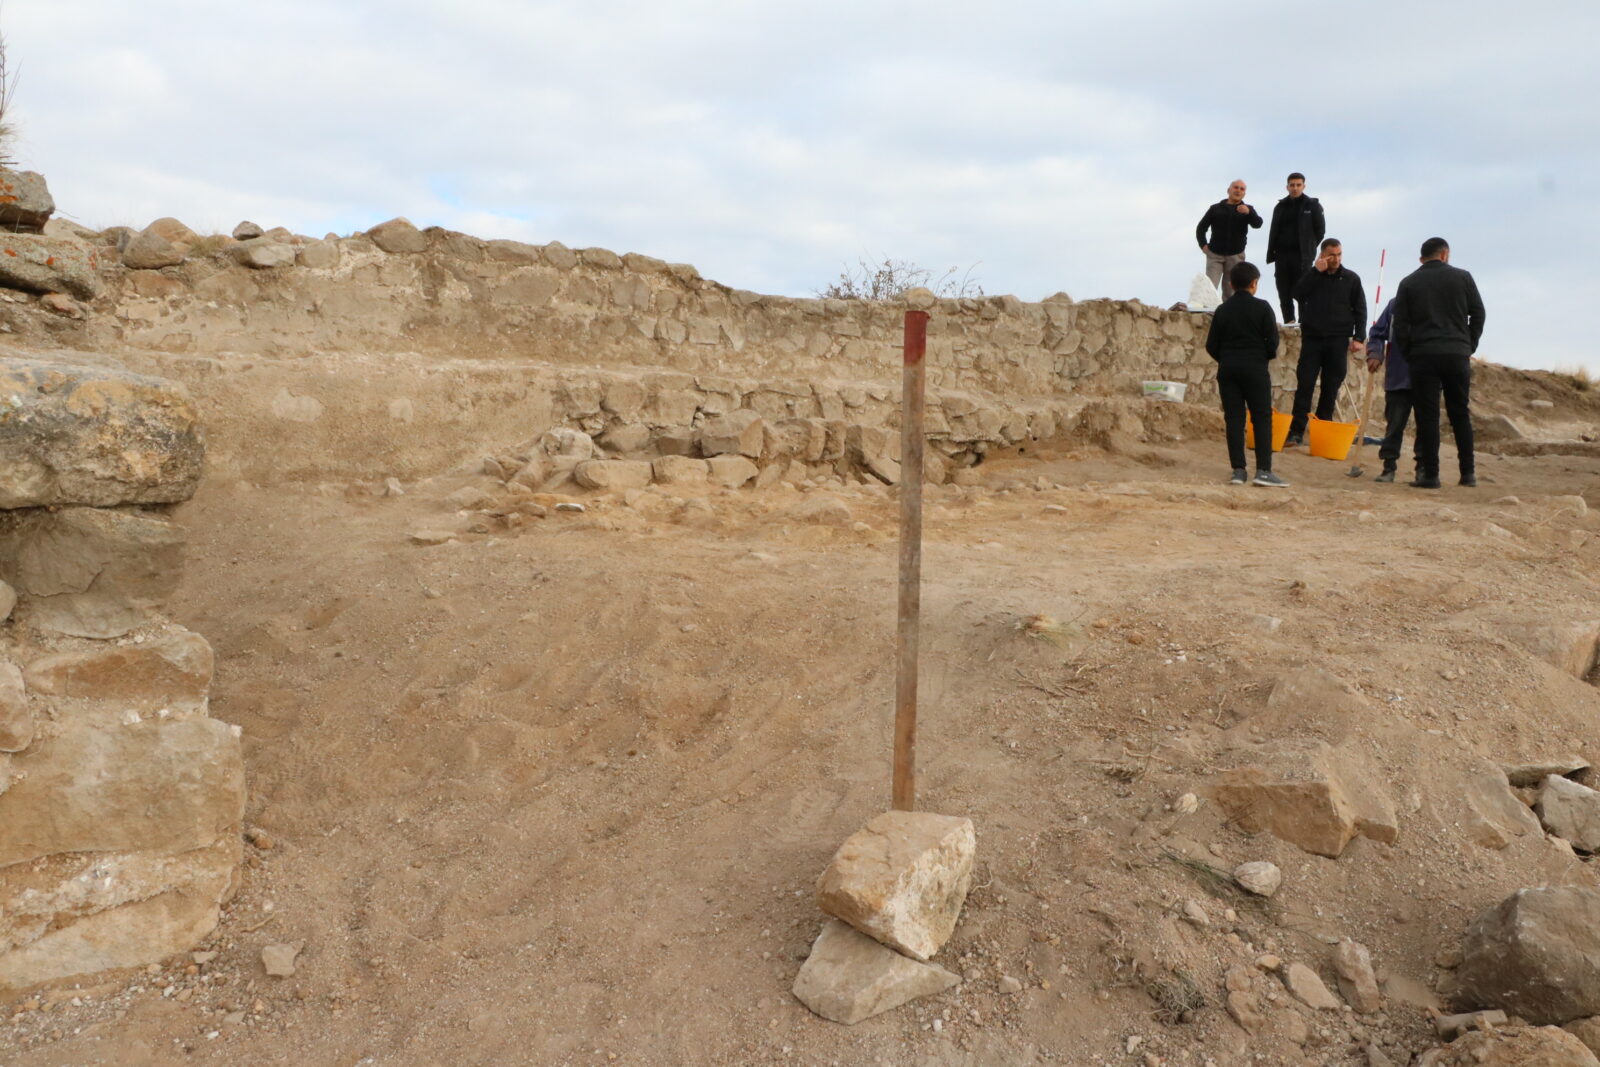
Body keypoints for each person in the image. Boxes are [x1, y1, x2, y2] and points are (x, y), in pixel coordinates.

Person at [1391, 237, 1486, 488]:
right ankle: (1468, 473)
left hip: (1423, 355)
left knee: (1428, 416)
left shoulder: (1408, 283)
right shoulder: (1463, 277)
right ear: (1445, 254)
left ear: (1422, 257)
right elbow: (1478, 313)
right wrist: (1469, 345)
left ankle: (1430, 475)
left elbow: (1399, 325)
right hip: (1456, 354)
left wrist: (1410, 352)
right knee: (1459, 413)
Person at [1204, 261, 1289, 487]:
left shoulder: (1222, 310)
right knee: (1261, 418)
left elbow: (1211, 345)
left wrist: (1227, 358)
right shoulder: (1262, 308)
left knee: (1234, 419)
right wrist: (1260, 357)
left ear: (1230, 284)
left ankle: (1238, 471)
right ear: (1254, 284)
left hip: (1229, 369)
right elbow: (1272, 343)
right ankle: (1263, 470)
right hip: (1255, 369)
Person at [1285, 238, 1366, 446]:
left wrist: (1359, 337)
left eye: (1339, 254)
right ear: (1322, 255)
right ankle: (1296, 431)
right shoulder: (1313, 276)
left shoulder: (1351, 279)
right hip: (1312, 339)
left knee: (1331, 387)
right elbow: (1297, 294)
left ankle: (1321, 431)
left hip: (1338, 340)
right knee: (1305, 385)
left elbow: (1360, 309)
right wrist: (1315, 272)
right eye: (1332, 255)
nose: (1336, 259)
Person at [1364, 298, 1414, 483]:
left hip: (1427, 377)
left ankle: (1424, 469)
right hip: (1398, 375)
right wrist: (1375, 353)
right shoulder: (1396, 305)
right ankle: (1388, 467)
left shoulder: (1437, 303)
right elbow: (1377, 333)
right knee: (1394, 425)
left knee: (1427, 427)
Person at [1265, 172, 1326, 324]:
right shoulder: (1280, 206)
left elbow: (1320, 231)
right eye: (1292, 185)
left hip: (1302, 257)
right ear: (1287, 187)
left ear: (1303, 186)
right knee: (1283, 291)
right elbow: (1274, 230)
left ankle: (1303, 324)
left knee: (1303, 290)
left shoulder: (1312, 205)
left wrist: (1309, 247)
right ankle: (1289, 322)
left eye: (1298, 185)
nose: (1295, 188)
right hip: (1282, 255)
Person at [1195, 180, 1262, 299]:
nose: (1238, 190)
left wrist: (1249, 213)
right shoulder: (1215, 209)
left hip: (1236, 256)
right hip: (1215, 254)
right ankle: (1205, 315)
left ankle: (1228, 315)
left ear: (1244, 194)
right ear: (1229, 190)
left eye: (1242, 189)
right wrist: (1203, 246)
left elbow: (1257, 224)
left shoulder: (1248, 209)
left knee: (1231, 291)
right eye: (1236, 187)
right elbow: (1201, 228)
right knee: (1209, 288)